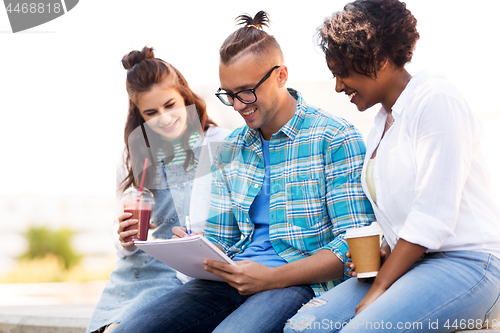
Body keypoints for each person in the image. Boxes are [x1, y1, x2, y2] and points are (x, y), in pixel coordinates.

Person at [111, 11, 374, 333]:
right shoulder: (232, 147)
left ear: (281, 75)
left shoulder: (334, 138)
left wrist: (271, 278)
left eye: (246, 91)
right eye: (229, 94)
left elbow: (353, 244)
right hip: (233, 277)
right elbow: (225, 240)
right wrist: (194, 246)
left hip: (298, 282)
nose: (237, 105)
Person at [284, 1, 500, 332]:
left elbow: (432, 215)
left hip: (470, 263)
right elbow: (403, 212)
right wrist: (384, 251)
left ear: (380, 60)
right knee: (304, 327)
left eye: (343, 73)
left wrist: (381, 288)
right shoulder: (381, 124)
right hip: (416, 263)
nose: (339, 86)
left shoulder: (436, 100)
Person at [86, 46, 231, 333]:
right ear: (139, 114)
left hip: (180, 275)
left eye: (170, 105)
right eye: (151, 112)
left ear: (185, 97)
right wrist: (126, 240)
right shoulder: (133, 156)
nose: (164, 119)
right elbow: (126, 245)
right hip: (133, 274)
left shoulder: (218, 145)